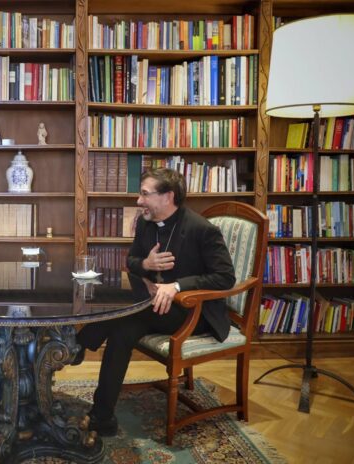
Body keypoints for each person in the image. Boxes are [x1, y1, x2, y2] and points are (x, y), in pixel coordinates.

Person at [73, 168, 236, 436]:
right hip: (154, 309)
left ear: (168, 196)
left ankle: (76, 344)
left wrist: (177, 286)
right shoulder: (146, 223)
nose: (139, 201)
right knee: (122, 332)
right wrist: (146, 264)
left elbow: (225, 277)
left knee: (123, 313)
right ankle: (102, 418)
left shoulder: (202, 229)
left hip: (192, 312)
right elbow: (132, 261)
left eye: (145, 194)